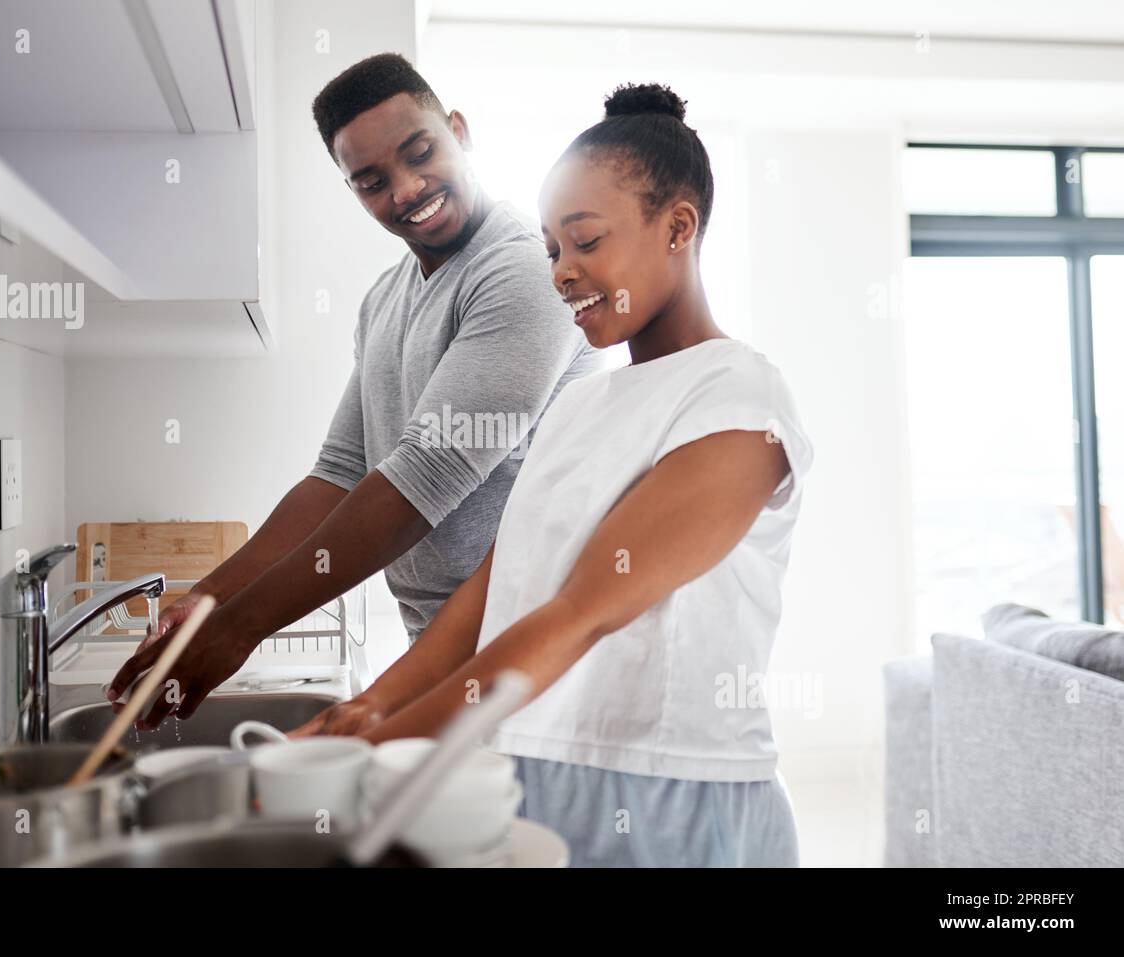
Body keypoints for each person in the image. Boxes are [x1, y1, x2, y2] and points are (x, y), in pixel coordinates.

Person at [292, 83, 815, 868]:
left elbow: (582, 611)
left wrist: (380, 749)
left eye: (585, 240)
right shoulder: (579, 408)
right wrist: (365, 708)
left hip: (674, 798)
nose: (562, 272)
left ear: (678, 227)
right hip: (528, 774)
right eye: (550, 249)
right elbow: (491, 597)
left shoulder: (740, 396)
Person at [107, 54, 600, 727]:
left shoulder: (520, 272)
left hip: (528, 652)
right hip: (440, 643)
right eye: (371, 181)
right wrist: (211, 598)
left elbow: (423, 476)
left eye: (420, 152)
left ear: (459, 130)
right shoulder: (385, 300)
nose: (405, 189)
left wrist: (243, 626)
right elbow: (338, 475)